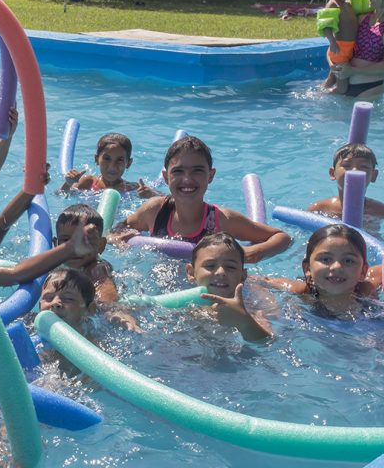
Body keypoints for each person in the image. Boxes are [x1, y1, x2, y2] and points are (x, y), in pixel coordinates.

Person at [112, 136, 292, 263]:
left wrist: (254, 251)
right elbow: (117, 229)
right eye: (178, 171)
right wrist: (118, 239)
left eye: (197, 171)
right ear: (166, 177)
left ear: (210, 176)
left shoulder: (221, 220)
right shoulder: (154, 211)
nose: (187, 179)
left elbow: (282, 237)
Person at [264, 224, 384, 319]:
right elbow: (255, 281)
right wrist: (270, 308)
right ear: (307, 269)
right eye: (325, 259)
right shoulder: (301, 292)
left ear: (363, 271)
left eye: (348, 261)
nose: (336, 267)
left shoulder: (367, 288)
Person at [54, 204, 140, 330]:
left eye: (84, 240)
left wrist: (116, 313)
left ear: (100, 245)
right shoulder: (56, 266)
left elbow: (107, 298)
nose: (76, 247)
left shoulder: (97, 269)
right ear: (56, 244)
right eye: (66, 240)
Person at [187, 233, 272, 341]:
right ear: (191, 273)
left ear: (242, 276)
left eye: (230, 267)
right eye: (210, 266)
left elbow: (267, 342)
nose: (221, 272)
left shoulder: (252, 308)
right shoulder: (183, 303)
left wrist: (243, 320)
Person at [307, 143, 384, 220]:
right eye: (347, 165)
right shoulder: (320, 208)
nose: (354, 170)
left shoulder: (382, 211)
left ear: (373, 175)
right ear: (332, 173)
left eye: (363, 166)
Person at [60, 133, 159, 197]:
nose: (112, 166)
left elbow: (165, 199)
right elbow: (60, 195)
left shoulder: (132, 188)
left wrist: (151, 194)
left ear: (128, 163)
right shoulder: (89, 182)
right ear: (97, 159)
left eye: (120, 160)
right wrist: (68, 183)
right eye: (107, 158)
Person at [318, 0, 360, 93]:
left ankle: (320, 92)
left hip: (349, 48)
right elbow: (326, 25)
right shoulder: (333, 5)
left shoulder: (346, 4)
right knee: (342, 88)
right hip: (339, 49)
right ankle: (323, 97)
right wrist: (332, 41)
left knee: (332, 79)